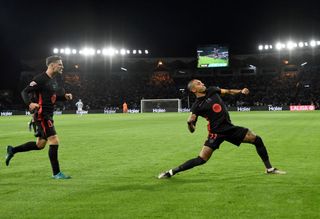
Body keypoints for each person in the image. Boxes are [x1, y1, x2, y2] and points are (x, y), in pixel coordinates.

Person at [158, 79, 286, 179]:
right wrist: (189, 123)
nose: (202, 84)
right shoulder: (196, 107)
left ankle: (269, 169)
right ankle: (171, 172)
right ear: (193, 90)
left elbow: (228, 91)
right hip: (215, 133)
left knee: (257, 140)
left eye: (201, 82)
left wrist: (240, 91)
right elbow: (192, 130)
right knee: (201, 160)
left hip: (229, 129)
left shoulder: (212, 90)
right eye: (199, 83)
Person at [5, 55, 73, 179]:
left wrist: (64, 97)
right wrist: (29, 103)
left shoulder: (53, 80)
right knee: (54, 140)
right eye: (60, 64)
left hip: (48, 114)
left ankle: (12, 150)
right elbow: (24, 92)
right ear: (52, 65)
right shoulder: (40, 79)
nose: (62, 66)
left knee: (40, 145)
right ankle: (56, 173)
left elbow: (51, 98)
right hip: (42, 115)